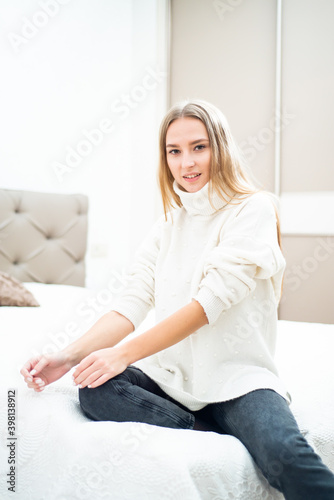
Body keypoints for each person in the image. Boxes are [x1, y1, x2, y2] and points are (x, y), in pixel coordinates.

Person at [21, 100, 334, 499]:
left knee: (287, 454)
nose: (187, 162)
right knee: (94, 385)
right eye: (175, 151)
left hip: (238, 381)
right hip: (170, 378)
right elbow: (131, 301)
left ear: (220, 147)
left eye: (198, 147)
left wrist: (124, 354)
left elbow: (207, 306)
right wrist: (66, 358)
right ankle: (198, 427)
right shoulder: (168, 222)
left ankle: (218, 422)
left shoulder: (253, 208)